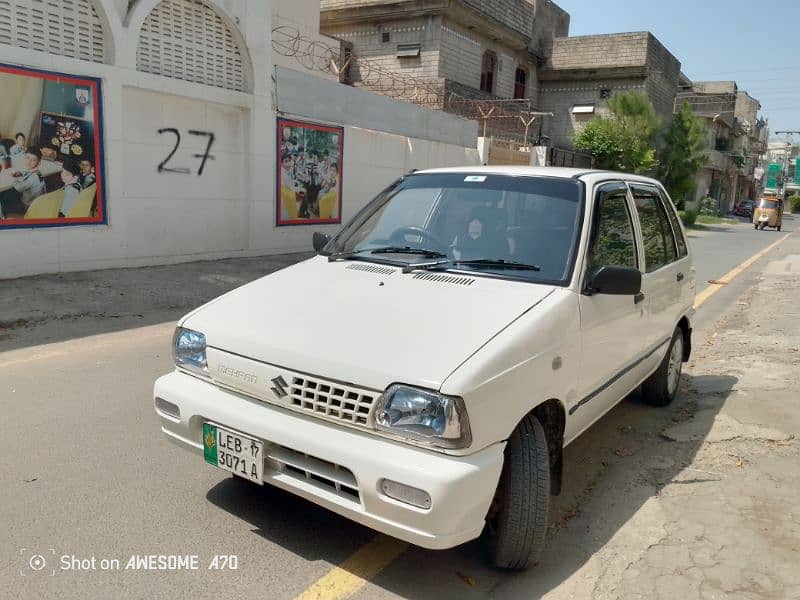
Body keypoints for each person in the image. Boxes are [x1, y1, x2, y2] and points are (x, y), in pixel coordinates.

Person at [0, 146, 46, 217]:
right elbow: (29, 172)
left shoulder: (33, 178)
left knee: (3, 201)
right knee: (6, 194)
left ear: (39, 163)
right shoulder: (37, 172)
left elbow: (18, 187)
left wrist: (13, 178)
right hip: (35, 201)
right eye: (27, 158)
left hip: (27, 206)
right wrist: (21, 173)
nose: (29, 162)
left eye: (33, 160)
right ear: (24, 157)